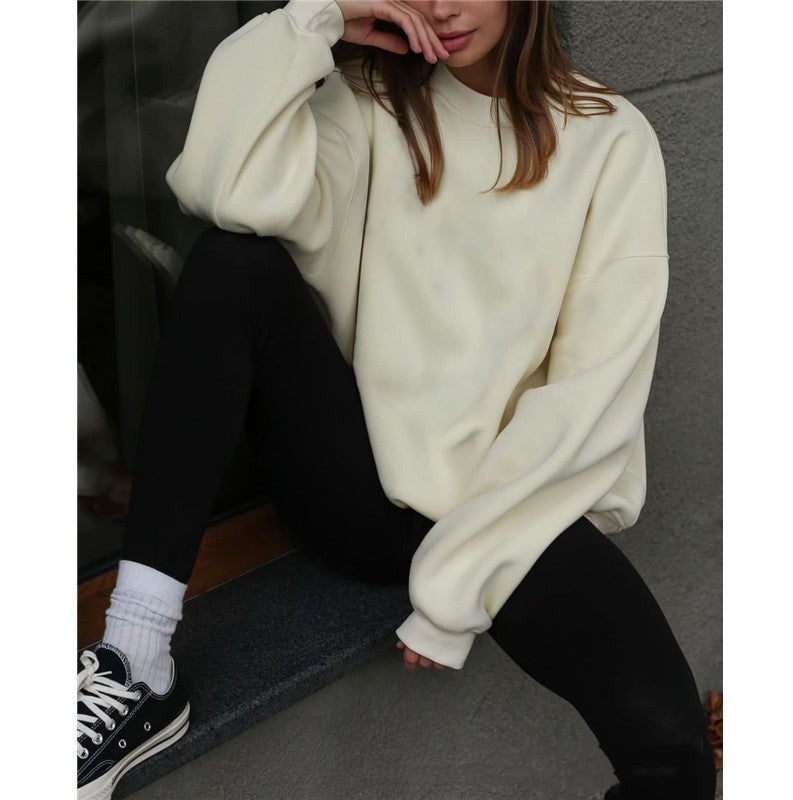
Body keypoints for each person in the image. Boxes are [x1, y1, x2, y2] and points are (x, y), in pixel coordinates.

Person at [76, 1, 717, 798]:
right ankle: (137, 657)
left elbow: (587, 399)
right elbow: (225, 190)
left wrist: (456, 586)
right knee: (233, 265)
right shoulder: (369, 103)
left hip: (504, 502)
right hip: (360, 492)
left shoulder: (611, 140)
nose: (441, 6)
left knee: (675, 755)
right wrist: (315, 21)